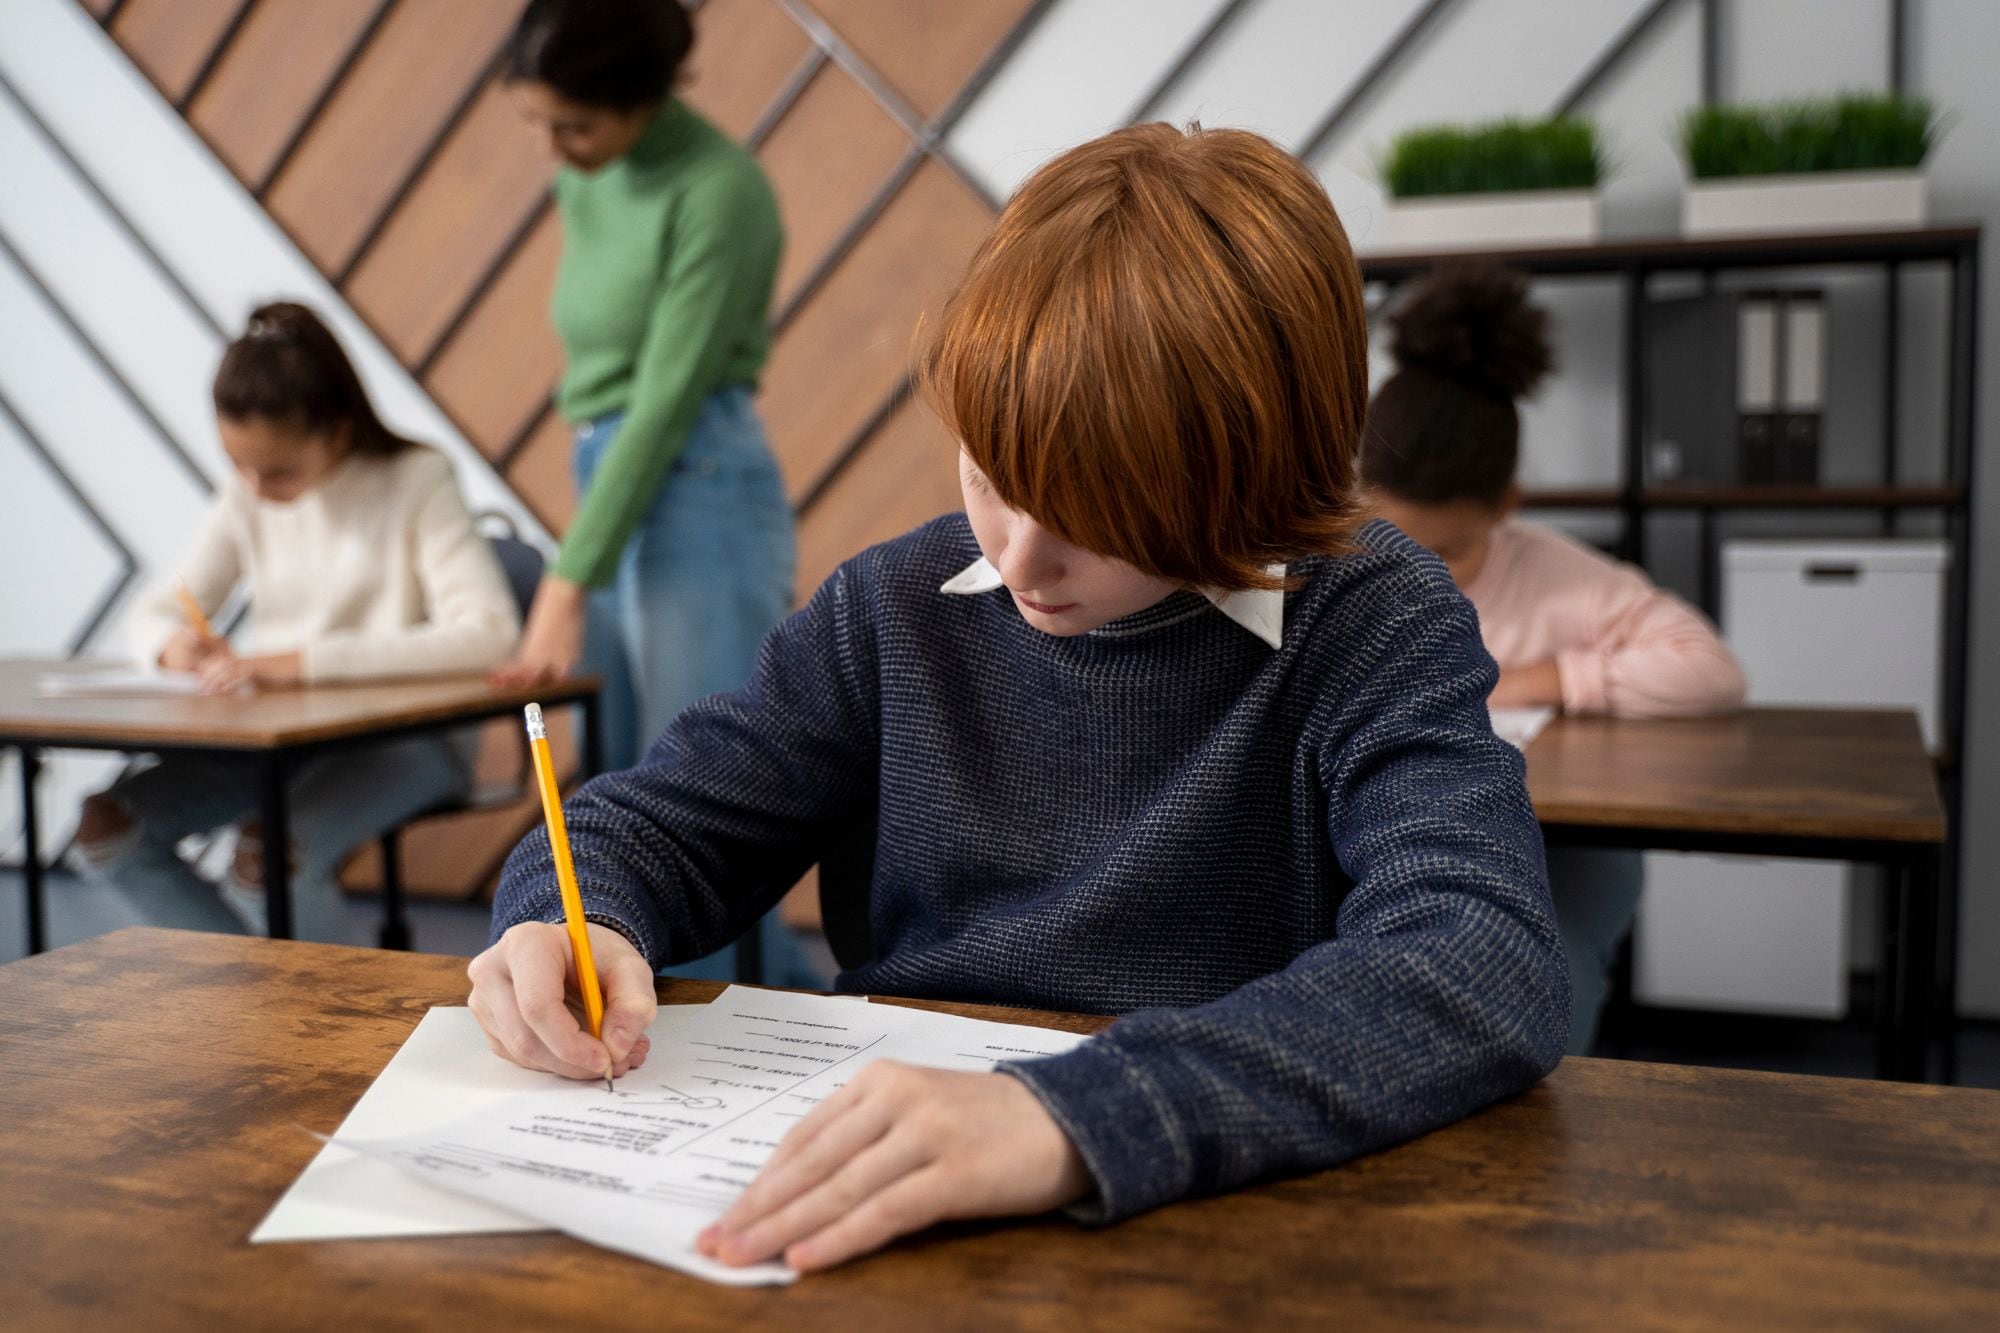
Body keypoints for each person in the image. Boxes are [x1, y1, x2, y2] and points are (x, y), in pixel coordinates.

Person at [467, 124, 1568, 1275]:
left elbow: (1477, 953)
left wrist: (1070, 1115)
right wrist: (570, 912)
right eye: (992, 475)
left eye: (1096, 514)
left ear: (1257, 473)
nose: (1021, 560)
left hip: (1210, 1209)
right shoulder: (893, 604)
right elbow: (660, 818)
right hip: (883, 1187)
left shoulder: (1369, 616)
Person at [1365, 262, 1747, 1053]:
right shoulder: (1343, 568)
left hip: (1558, 850)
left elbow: (1710, 668)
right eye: (1401, 540)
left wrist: (1550, 678)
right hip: (1396, 832)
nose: (1425, 567)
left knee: (1547, 979)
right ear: (1358, 496)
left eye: (1454, 548)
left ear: (1508, 507)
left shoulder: (1561, 576)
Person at [497, 0, 798, 982]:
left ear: (644, 97)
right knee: (624, 808)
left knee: (702, 811)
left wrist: (562, 581)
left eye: (573, 125)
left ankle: (810, 1045)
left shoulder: (721, 192)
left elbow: (665, 398)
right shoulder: (589, 174)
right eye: (538, 123)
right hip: (611, 472)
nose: (554, 147)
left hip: (696, 477)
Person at [72, 302, 520, 943]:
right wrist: (172, 645)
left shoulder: (417, 478)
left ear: (338, 432)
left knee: (267, 858)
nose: (254, 486)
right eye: (237, 463)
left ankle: (329, 1030)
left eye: (277, 470)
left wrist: (300, 662)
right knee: (106, 824)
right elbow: (155, 611)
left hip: (410, 740)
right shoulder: (246, 494)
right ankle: (257, 1007)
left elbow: (489, 633)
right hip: (281, 735)